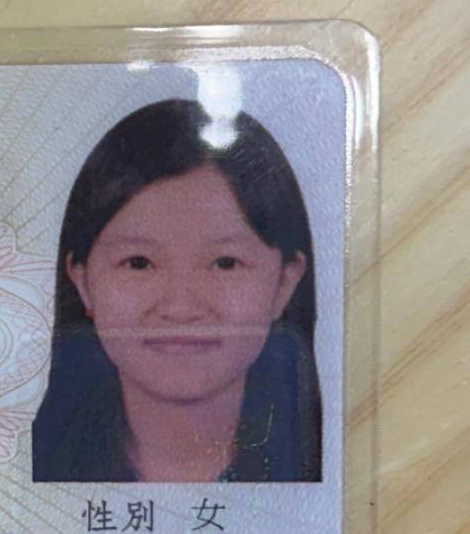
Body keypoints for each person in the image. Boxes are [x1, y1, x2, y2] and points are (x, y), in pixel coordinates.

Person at [31, 98, 322, 482]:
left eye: (225, 263)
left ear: (285, 282)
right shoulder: (22, 473)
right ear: (82, 282)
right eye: (139, 263)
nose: (181, 307)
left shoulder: (329, 470)